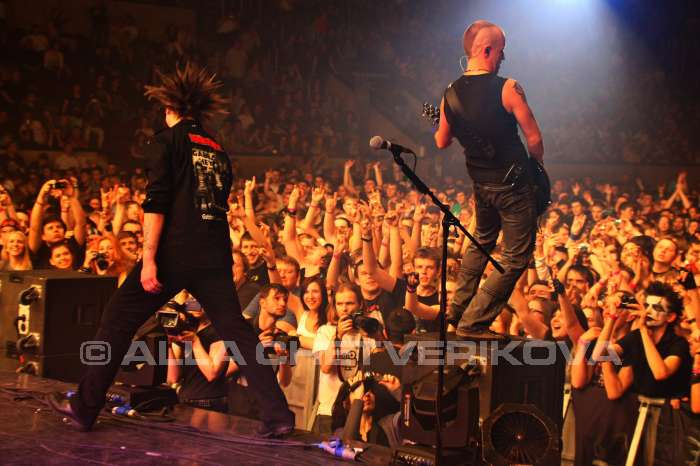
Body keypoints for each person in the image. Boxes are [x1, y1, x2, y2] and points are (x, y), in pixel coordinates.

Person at [47, 62, 294, 438]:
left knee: (117, 319)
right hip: (214, 253)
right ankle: (278, 416)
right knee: (237, 332)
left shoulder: (167, 141)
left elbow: (157, 202)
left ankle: (84, 406)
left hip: (174, 252)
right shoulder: (217, 149)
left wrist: (148, 258)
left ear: (169, 108)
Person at [434, 20, 544, 339]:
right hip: (514, 186)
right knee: (516, 256)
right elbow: (534, 138)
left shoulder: (450, 93)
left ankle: (455, 311)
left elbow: (441, 141)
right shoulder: (508, 88)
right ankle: (473, 322)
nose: (502, 59)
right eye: (501, 52)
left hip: (481, 186)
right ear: (486, 50)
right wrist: (537, 170)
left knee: (482, 240)